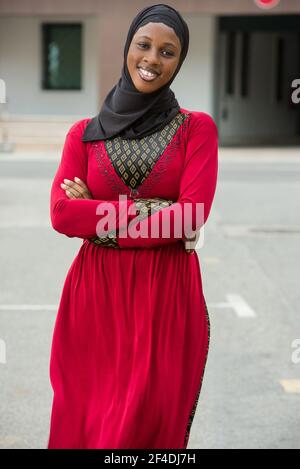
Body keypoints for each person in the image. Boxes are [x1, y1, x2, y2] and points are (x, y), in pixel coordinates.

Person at [47, 3, 218, 449]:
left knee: (149, 426)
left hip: (166, 294)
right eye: (144, 45)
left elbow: (192, 214)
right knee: (86, 419)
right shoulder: (83, 134)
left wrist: (99, 212)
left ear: (180, 61)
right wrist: (159, 213)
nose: (152, 58)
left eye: (168, 51)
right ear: (128, 48)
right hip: (96, 296)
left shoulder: (195, 129)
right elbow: (62, 214)